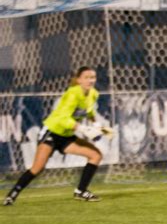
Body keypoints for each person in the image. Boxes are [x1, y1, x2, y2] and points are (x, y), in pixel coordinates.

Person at [3, 66, 110, 206]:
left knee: (95, 155)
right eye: (87, 77)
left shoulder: (93, 93)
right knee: (37, 168)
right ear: (79, 80)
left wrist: (96, 125)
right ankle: (12, 194)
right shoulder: (73, 93)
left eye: (93, 77)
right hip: (52, 133)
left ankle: (81, 191)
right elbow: (62, 118)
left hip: (66, 136)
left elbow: (89, 112)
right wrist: (82, 128)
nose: (90, 80)